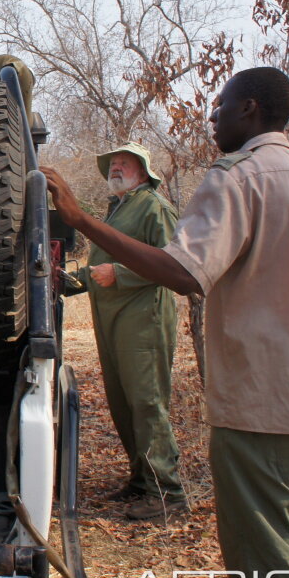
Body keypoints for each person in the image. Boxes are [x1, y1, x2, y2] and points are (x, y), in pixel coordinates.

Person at [44, 67, 289, 578]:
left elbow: (184, 271)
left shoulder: (237, 179)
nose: (212, 117)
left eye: (221, 106)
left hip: (265, 410)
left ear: (251, 109)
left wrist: (80, 219)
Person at [71, 142, 184, 521]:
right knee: (122, 401)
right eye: (113, 164)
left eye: (125, 163)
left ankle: (166, 493)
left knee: (147, 401)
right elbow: (101, 266)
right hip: (112, 317)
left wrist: (119, 275)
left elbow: (173, 264)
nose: (116, 168)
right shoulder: (118, 208)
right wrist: (71, 280)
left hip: (143, 319)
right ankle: (141, 481)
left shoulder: (154, 207)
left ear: (143, 171)